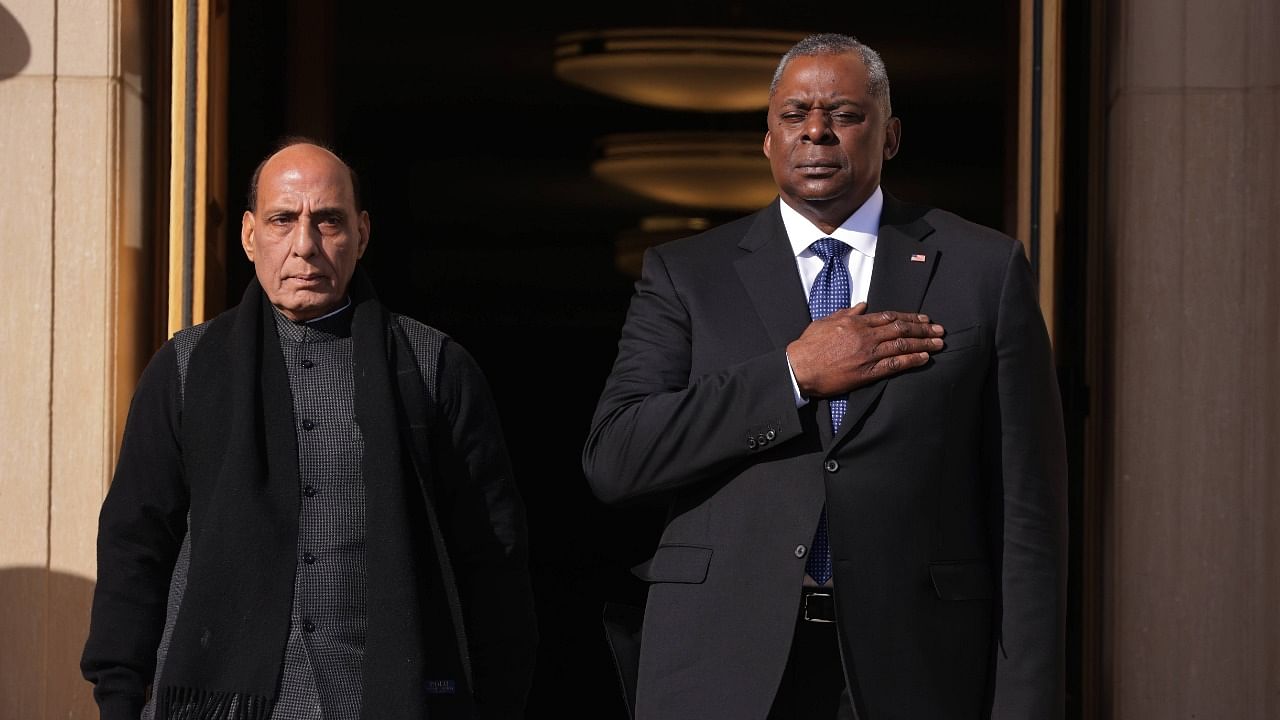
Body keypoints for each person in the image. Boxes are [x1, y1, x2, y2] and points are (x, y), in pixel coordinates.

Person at [581, 33, 1066, 720]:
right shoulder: (688, 274)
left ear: (889, 135)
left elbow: (1026, 518)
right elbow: (617, 456)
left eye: (843, 112)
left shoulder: (982, 270)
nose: (816, 129)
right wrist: (792, 374)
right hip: (724, 664)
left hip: (916, 667)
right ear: (768, 139)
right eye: (794, 114)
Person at [81, 140, 537, 720]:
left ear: (362, 234)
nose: (305, 245)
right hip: (214, 703)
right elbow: (134, 543)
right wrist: (119, 698)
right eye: (282, 220)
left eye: (328, 221)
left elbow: (493, 559)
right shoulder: (188, 368)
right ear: (249, 236)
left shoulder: (433, 368)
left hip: (386, 699)